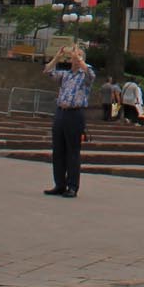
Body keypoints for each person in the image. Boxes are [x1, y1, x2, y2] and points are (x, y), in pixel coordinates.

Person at [45, 45, 96, 199]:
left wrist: (79, 57)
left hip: (75, 114)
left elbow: (91, 75)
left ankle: (72, 186)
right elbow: (48, 71)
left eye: (77, 55)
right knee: (58, 150)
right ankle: (60, 184)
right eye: (73, 55)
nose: (73, 57)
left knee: (73, 152)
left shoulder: (85, 74)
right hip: (61, 112)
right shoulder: (66, 75)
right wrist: (58, 56)